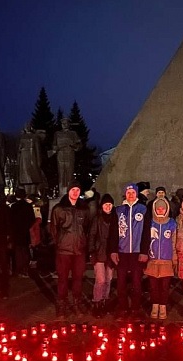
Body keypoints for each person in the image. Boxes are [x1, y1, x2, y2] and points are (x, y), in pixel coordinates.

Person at [50, 180, 90, 317]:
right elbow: (53, 230)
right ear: (68, 191)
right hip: (63, 251)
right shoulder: (59, 209)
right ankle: (62, 304)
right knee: (63, 279)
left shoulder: (84, 209)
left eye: (78, 190)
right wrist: (59, 244)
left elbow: (86, 228)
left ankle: (76, 304)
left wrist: (84, 244)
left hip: (79, 251)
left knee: (78, 279)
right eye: (73, 190)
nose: (75, 192)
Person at [108, 183, 148, 319]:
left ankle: (135, 308)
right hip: (122, 252)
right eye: (128, 192)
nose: (131, 195)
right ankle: (123, 307)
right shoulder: (118, 210)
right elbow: (113, 232)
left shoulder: (143, 209)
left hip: (137, 252)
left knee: (137, 282)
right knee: (121, 282)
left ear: (137, 194)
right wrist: (113, 251)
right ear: (125, 194)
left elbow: (146, 232)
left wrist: (144, 251)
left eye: (133, 192)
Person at [141, 197, 177, 319]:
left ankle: (163, 306)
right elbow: (145, 240)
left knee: (165, 286)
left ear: (166, 209)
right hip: (152, 260)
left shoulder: (172, 223)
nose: (160, 210)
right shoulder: (150, 222)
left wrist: (175, 258)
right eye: (158, 208)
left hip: (166, 260)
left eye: (163, 208)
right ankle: (154, 305)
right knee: (153, 286)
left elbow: (174, 241)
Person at [88, 193, 116, 317]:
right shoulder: (97, 219)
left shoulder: (115, 218)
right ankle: (97, 302)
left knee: (109, 279)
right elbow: (92, 235)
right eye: (106, 204)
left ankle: (105, 300)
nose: (108, 207)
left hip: (110, 253)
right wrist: (92, 251)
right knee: (100, 280)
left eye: (110, 204)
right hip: (99, 253)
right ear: (102, 206)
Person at [51, 117, 81, 194]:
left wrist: (73, 146)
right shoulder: (57, 134)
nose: (64, 124)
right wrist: (56, 148)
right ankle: (62, 192)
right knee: (61, 175)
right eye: (62, 123)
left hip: (69, 155)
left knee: (69, 174)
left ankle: (69, 192)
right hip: (60, 156)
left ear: (68, 124)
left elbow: (79, 145)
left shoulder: (73, 133)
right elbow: (54, 145)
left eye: (66, 123)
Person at [10, 188, 35, 278]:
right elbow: (32, 219)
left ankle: (18, 269)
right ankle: (25, 268)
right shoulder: (28, 206)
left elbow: (10, 220)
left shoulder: (14, 206)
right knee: (25, 251)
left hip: (16, 232)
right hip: (25, 232)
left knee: (17, 252)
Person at [17, 122, 47, 193]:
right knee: (25, 179)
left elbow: (37, 149)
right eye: (26, 126)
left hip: (32, 158)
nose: (27, 127)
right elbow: (18, 149)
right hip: (24, 159)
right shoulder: (21, 137)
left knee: (33, 178)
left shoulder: (35, 137)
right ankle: (27, 194)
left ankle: (33, 195)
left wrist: (39, 161)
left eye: (28, 126)